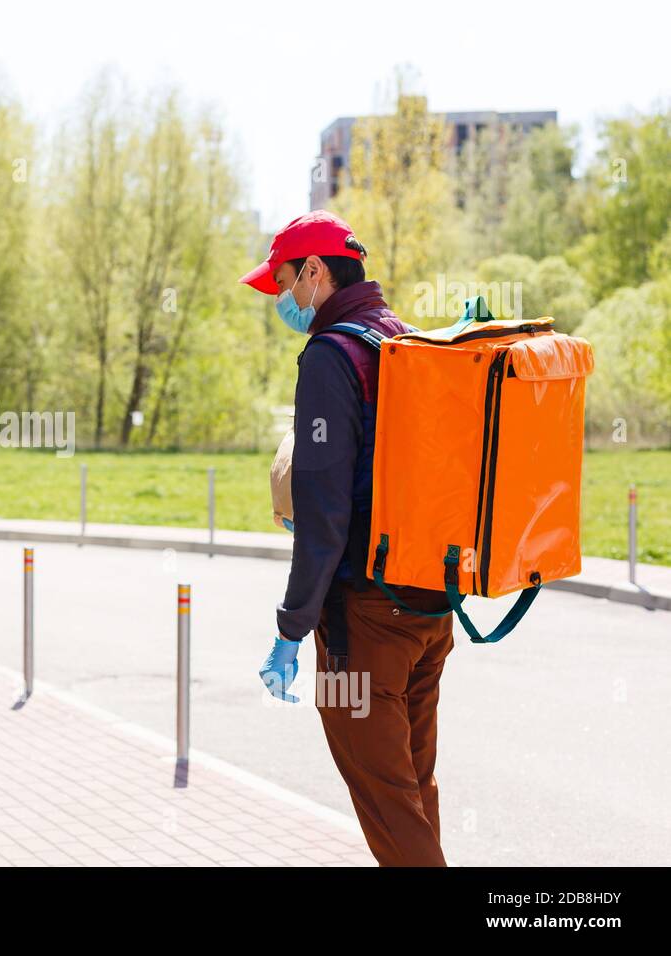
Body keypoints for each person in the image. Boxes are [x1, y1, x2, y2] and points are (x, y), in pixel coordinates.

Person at [241, 210, 456, 867]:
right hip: (429, 608)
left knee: (392, 812)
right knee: (411, 792)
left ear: (314, 271)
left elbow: (324, 510)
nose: (283, 300)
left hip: (364, 620)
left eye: (283, 283)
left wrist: (291, 629)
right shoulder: (402, 338)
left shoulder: (332, 357)